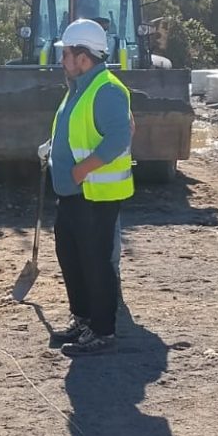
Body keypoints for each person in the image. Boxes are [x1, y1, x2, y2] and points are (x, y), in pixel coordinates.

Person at [40, 18, 132, 357]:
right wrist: (53, 146)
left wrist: (80, 170)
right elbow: (76, 129)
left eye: (66, 54)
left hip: (93, 195)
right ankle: (83, 319)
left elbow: (120, 138)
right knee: (71, 258)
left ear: (83, 57)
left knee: (95, 262)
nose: (61, 59)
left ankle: (103, 329)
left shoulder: (106, 89)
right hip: (73, 194)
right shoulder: (78, 88)